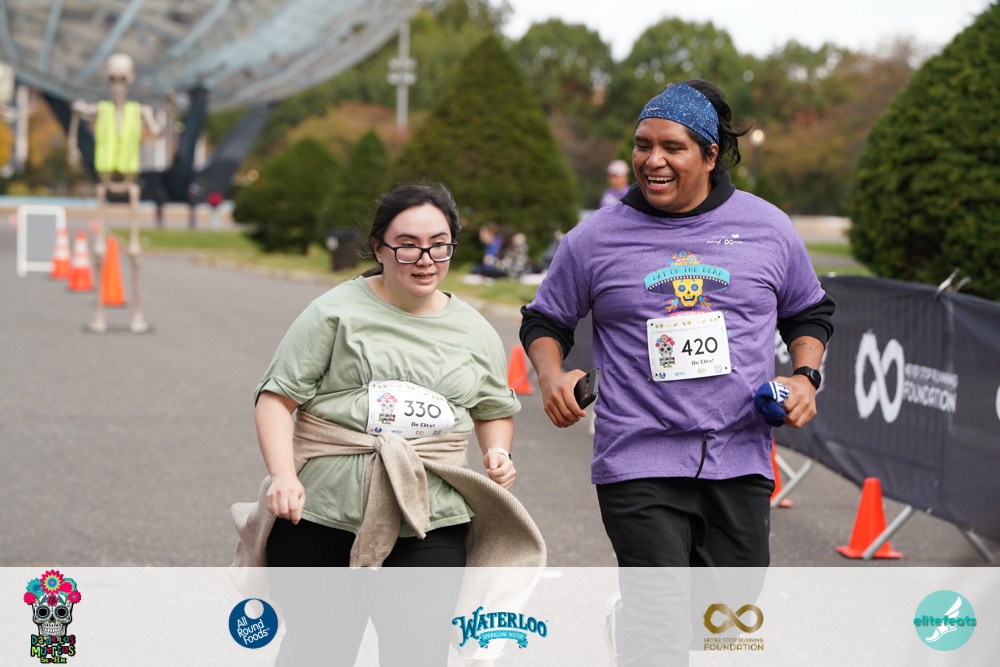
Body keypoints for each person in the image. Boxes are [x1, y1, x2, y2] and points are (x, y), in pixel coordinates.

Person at [519, 80, 834, 662]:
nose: (652, 160)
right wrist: (551, 375)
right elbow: (545, 319)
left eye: (672, 147)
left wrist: (804, 376)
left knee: (724, 626)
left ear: (710, 156)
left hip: (738, 454)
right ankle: (641, 630)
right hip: (637, 456)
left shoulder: (767, 227)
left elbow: (808, 311)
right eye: (642, 145)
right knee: (661, 629)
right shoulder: (595, 237)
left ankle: (632, 626)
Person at [231, 184, 545, 666]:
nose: (425, 260)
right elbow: (276, 398)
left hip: (429, 521)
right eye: (408, 245)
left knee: (418, 654)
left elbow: (493, 408)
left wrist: (497, 452)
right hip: (321, 514)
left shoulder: (474, 330)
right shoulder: (334, 312)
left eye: (439, 245)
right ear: (379, 248)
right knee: (318, 653)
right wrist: (283, 476)